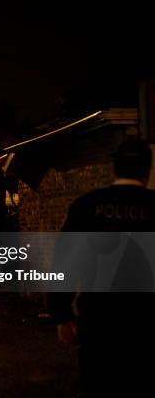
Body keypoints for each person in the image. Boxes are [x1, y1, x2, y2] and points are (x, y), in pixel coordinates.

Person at [49, 139, 155, 397]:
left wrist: (62, 315)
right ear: (148, 171)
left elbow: (64, 262)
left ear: (114, 169)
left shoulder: (86, 206)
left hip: (100, 324)